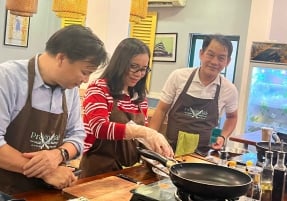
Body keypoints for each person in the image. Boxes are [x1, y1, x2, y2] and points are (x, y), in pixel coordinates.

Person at [0, 25, 108, 194]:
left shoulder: (69, 89)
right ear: (61, 58)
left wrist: (59, 154)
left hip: (47, 191)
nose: (86, 80)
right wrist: (47, 171)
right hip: (6, 190)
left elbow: (78, 135)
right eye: (84, 72)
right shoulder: (8, 78)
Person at [79, 38, 173, 178]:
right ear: (120, 63)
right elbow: (99, 127)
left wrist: (157, 147)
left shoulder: (138, 97)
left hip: (127, 172)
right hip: (98, 171)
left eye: (143, 69)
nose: (139, 74)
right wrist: (145, 132)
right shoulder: (99, 89)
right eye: (133, 66)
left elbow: (140, 138)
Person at [149, 34, 238, 156]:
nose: (214, 62)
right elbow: (161, 110)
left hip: (203, 155)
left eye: (221, 58)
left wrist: (223, 136)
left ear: (227, 61)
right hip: (169, 150)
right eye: (210, 55)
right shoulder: (178, 76)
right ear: (201, 54)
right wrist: (150, 139)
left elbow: (232, 117)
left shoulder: (229, 89)